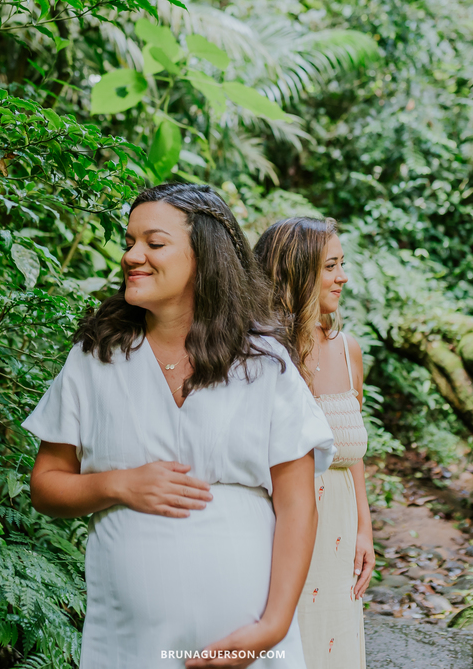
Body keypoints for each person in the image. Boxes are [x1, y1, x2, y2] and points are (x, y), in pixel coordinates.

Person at [23, 184, 336, 669]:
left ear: (203, 256)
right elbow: (45, 487)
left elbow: (298, 505)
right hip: (131, 645)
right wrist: (121, 484)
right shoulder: (97, 356)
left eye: (154, 243)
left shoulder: (264, 361)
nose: (132, 256)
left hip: (247, 640)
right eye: (129, 242)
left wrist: (271, 628)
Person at [254, 217, 372, 669]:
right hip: (278, 531)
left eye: (342, 264)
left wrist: (364, 525)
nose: (343, 277)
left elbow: (352, 449)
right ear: (296, 272)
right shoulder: (260, 353)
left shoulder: (349, 350)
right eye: (330, 266)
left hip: (339, 531)